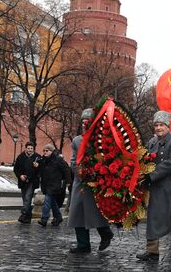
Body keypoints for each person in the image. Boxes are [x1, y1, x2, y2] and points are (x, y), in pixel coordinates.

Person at [136, 111, 171, 262]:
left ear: (168, 127)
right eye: (156, 125)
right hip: (157, 184)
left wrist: (150, 175)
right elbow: (145, 159)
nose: (158, 128)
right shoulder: (152, 142)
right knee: (153, 215)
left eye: (161, 125)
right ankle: (152, 251)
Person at [68, 108, 114, 253]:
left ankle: (106, 234)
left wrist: (95, 173)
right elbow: (74, 160)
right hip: (80, 181)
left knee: (96, 211)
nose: (84, 124)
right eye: (82, 121)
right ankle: (83, 245)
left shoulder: (100, 139)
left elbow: (106, 158)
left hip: (96, 182)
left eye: (87, 121)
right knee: (77, 213)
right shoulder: (77, 140)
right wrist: (79, 171)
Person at [37, 144, 71, 227]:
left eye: (47, 151)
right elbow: (40, 172)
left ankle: (44, 219)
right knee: (52, 203)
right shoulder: (43, 160)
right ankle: (58, 217)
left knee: (47, 201)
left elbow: (66, 170)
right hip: (46, 184)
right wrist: (37, 166)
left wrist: (68, 181)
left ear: (51, 151)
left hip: (54, 184)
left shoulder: (58, 160)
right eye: (44, 151)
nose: (45, 152)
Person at [14, 142, 41, 223]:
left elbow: (41, 170)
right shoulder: (20, 157)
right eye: (28, 148)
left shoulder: (37, 157)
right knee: (24, 198)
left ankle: (24, 214)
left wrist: (38, 167)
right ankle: (28, 217)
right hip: (23, 181)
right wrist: (20, 176)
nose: (30, 150)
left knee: (27, 198)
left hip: (32, 181)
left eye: (31, 148)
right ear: (25, 148)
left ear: (33, 149)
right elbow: (16, 169)